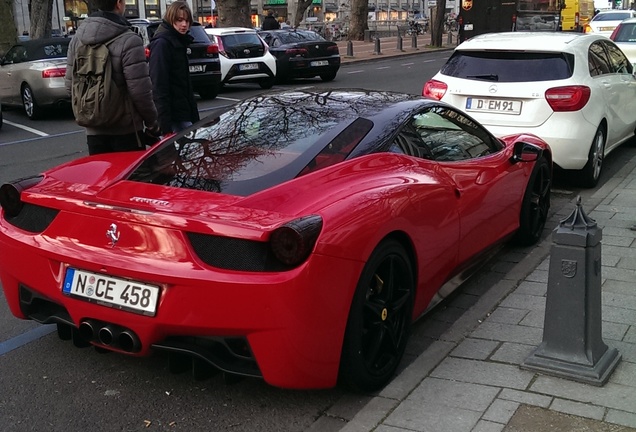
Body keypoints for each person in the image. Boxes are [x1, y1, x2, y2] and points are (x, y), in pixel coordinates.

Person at [64, 0, 159, 155]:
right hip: (126, 130)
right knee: (131, 176)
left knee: (103, 177)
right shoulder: (129, 40)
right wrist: (152, 122)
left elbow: (70, 87)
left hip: (93, 128)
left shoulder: (77, 39)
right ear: (118, 3)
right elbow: (140, 92)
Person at [148, 1, 200, 135]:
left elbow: (184, 84)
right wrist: (165, 127)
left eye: (187, 21)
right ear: (171, 19)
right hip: (174, 118)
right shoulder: (163, 44)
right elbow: (159, 86)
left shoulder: (178, 40)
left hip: (182, 113)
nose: (184, 25)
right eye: (180, 20)